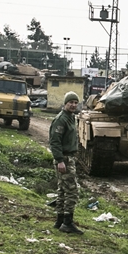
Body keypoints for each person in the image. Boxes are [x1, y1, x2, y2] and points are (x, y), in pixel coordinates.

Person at [48, 90, 83, 234]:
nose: (73, 105)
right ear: (65, 103)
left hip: (68, 158)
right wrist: (59, 160)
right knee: (72, 191)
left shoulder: (70, 117)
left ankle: (60, 220)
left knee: (62, 190)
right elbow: (54, 142)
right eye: (71, 102)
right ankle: (67, 223)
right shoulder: (61, 119)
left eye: (75, 102)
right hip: (64, 159)